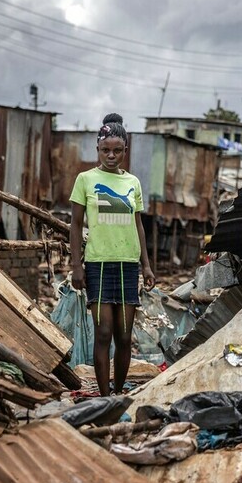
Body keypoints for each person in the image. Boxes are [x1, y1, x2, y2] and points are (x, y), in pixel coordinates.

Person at [69, 113, 155, 396]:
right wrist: (76, 267)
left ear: (125, 151)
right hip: (98, 265)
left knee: (125, 336)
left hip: (128, 266)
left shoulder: (133, 182)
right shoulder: (85, 180)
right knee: (103, 333)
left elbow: (138, 225)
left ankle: (119, 394)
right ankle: (105, 397)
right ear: (97, 148)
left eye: (117, 150)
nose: (111, 155)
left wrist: (147, 266)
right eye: (106, 149)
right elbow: (75, 225)